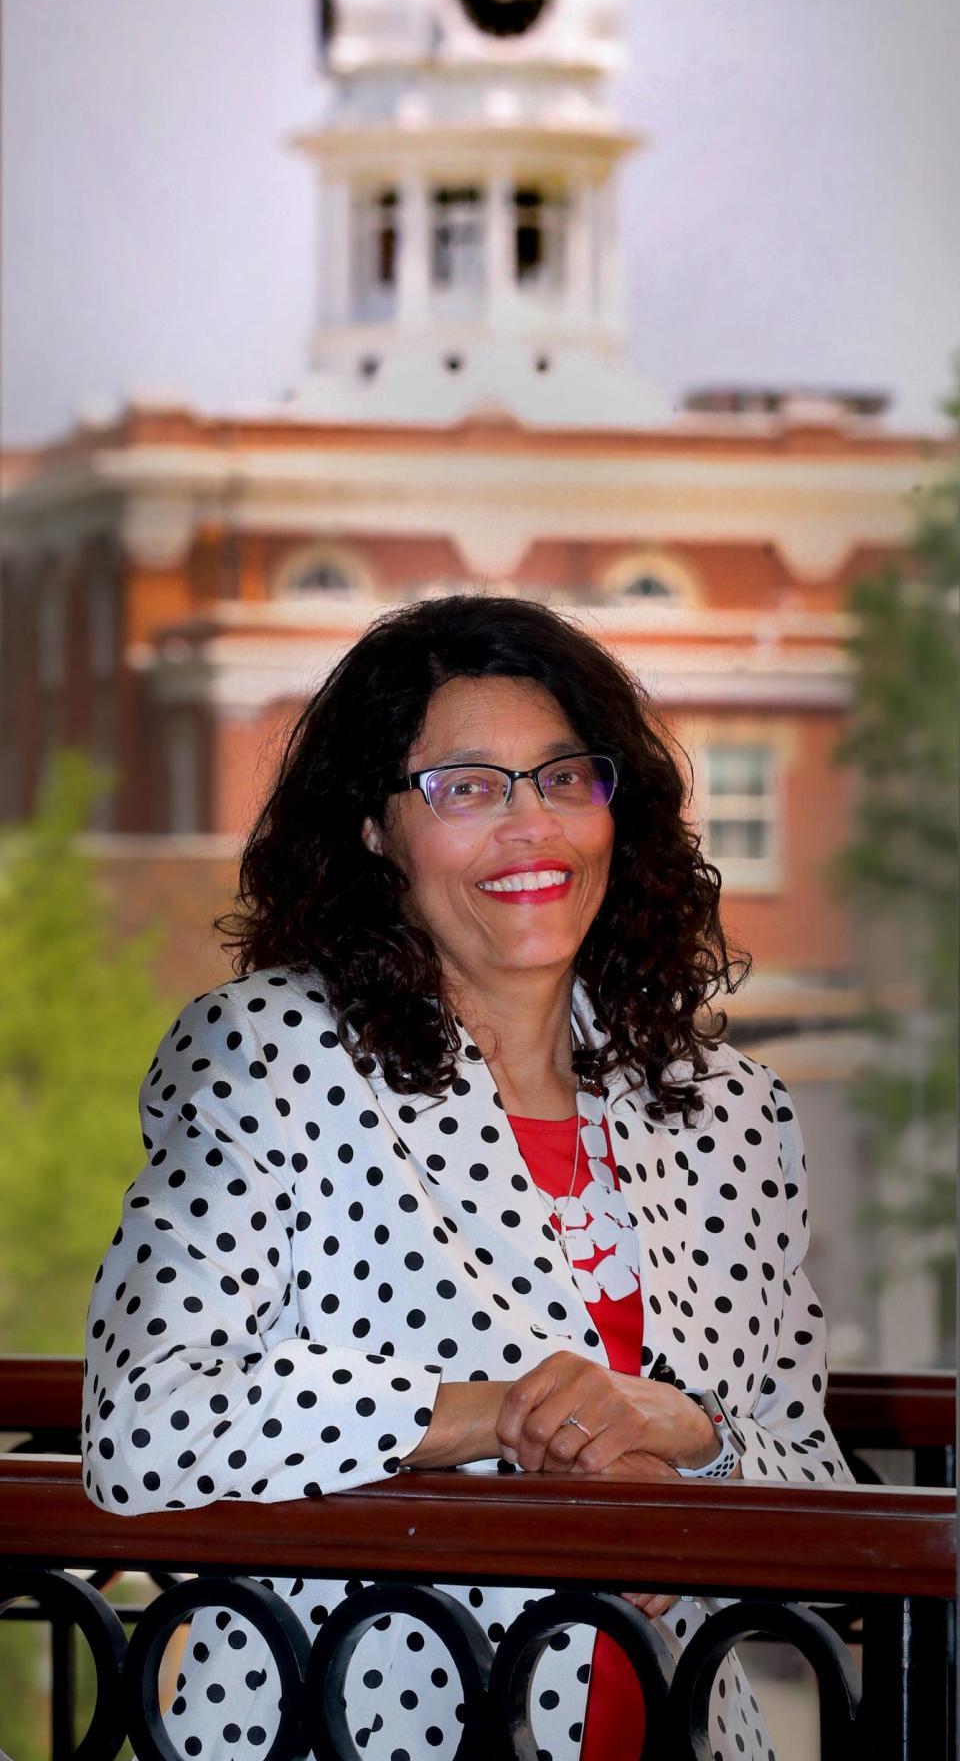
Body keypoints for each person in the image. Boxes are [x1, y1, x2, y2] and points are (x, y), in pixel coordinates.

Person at [83, 594, 851, 1761]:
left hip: (673, 1726)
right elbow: (143, 1422)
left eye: (561, 778)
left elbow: (829, 1510)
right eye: (467, 788)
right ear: (374, 828)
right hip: (358, 1722)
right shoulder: (270, 1053)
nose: (530, 827)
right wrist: (500, 1417)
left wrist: (692, 1433)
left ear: (615, 808)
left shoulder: (733, 1111)